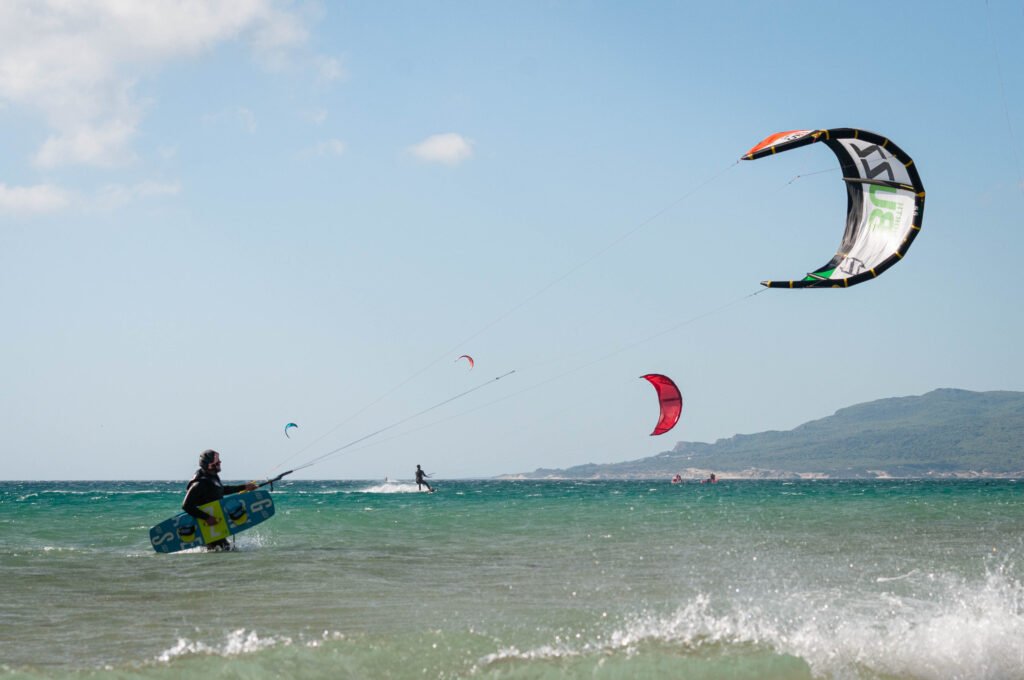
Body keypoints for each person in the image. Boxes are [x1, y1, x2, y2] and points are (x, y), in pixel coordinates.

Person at [182, 449, 257, 550]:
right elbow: (186, 506)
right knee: (225, 549)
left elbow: (220, 490)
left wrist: (244, 487)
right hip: (207, 526)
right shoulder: (199, 483)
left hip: (215, 523)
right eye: (217, 462)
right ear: (209, 465)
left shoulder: (212, 476)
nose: (220, 462)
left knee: (226, 549)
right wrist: (207, 518)